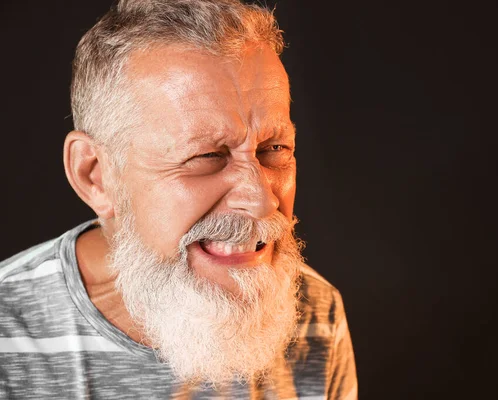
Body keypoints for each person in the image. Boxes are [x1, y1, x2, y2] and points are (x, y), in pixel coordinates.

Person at [0, 0, 357, 398]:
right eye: (206, 156)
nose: (260, 201)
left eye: (274, 148)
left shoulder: (314, 314)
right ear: (96, 177)